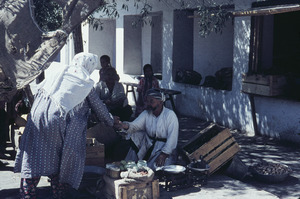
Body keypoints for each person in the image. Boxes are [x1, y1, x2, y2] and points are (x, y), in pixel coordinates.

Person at [14, 52, 118, 199]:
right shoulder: (84, 82)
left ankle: (27, 194)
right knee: (63, 160)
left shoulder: (59, 71)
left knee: (34, 158)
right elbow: (99, 109)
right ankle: (59, 194)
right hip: (57, 121)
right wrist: (112, 121)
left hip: (37, 116)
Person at [116, 88, 179, 170]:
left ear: (160, 102)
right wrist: (123, 125)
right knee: (137, 135)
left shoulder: (170, 115)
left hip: (163, 148)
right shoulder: (146, 113)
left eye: (151, 101)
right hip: (148, 144)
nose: (148, 104)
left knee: (159, 168)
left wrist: (164, 154)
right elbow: (135, 126)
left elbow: (172, 138)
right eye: (147, 101)